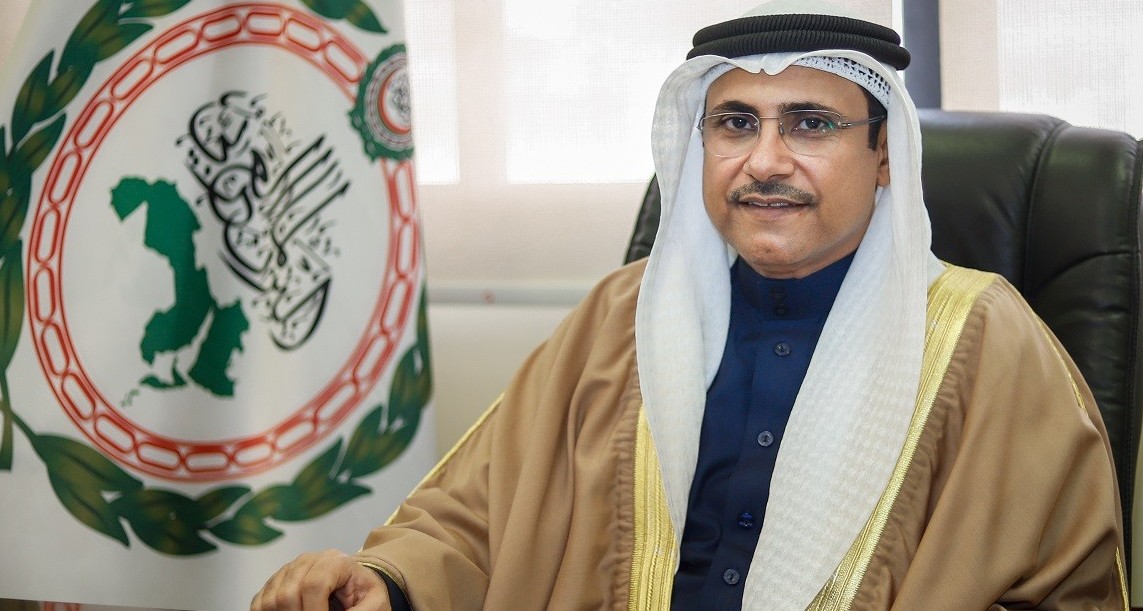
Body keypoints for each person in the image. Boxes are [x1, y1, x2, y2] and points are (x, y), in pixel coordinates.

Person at [250, 1, 1128, 609]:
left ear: (885, 156)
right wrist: (386, 581)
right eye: (735, 123)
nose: (764, 161)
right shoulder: (620, 317)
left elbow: (1062, 590)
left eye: (810, 123)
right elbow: (474, 518)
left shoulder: (984, 340)